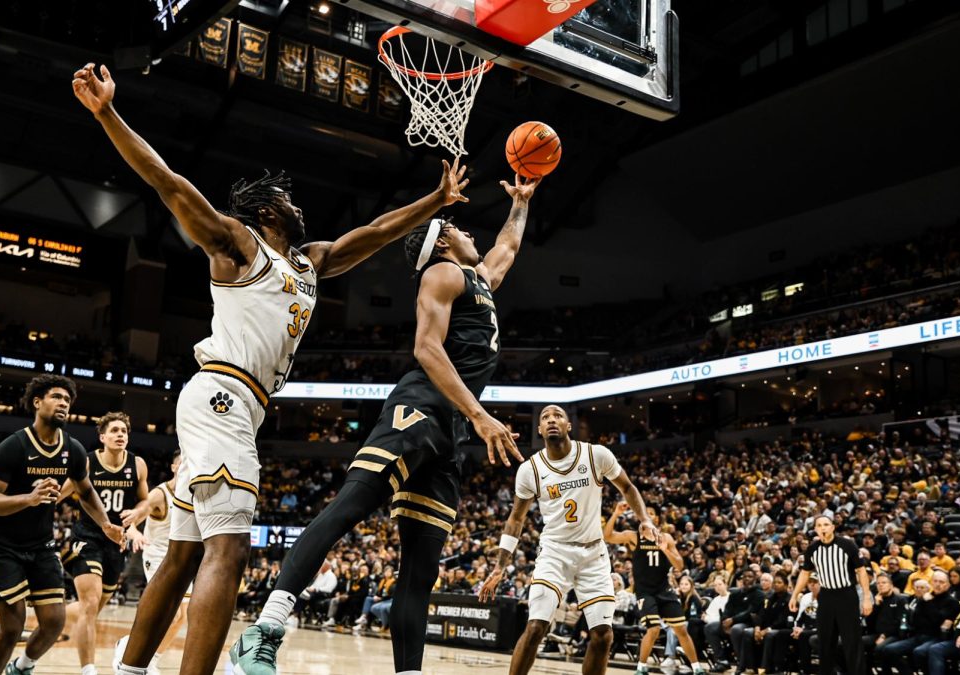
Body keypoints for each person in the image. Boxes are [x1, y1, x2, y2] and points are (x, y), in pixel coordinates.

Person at [73, 63, 475, 675]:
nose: (297, 204)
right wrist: (107, 114)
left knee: (183, 555)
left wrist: (434, 201)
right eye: (285, 198)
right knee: (228, 552)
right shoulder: (239, 244)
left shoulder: (309, 263)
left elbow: (369, 234)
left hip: (235, 404)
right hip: (223, 397)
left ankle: (128, 672)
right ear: (264, 210)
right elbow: (169, 183)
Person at [232, 172, 538, 675]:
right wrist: (480, 415)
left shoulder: (478, 280)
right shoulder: (442, 275)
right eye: (459, 228)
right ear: (442, 240)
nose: (470, 234)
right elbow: (425, 348)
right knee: (352, 506)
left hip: (449, 432)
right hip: (418, 407)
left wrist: (522, 203)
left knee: (420, 569)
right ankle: (266, 628)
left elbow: (506, 246)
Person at [479, 405, 654, 675]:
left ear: (568, 425)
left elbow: (628, 487)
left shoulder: (596, 455)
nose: (551, 420)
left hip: (593, 553)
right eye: (545, 417)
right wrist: (500, 566)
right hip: (555, 552)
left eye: (558, 416)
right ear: (539, 429)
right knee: (537, 626)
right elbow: (515, 519)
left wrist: (644, 519)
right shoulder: (530, 469)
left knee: (603, 635)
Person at [0, 375, 124, 675]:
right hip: (0, 546)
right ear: (37, 402)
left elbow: (86, 492)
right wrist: (28, 499)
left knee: (55, 622)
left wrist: (106, 524)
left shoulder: (74, 449)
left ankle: (21, 667)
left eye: (67, 401)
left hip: (40, 545)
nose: (63, 404)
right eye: (57, 397)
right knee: (13, 626)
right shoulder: (14, 446)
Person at [59, 412, 150, 675]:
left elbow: (145, 501)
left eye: (124, 431)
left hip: (116, 543)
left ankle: (52, 617)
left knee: (94, 608)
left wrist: (136, 517)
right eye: (115, 431)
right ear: (102, 437)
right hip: (87, 536)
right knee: (90, 603)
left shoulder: (138, 465)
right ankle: (89, 670)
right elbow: (64, 492)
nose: (121, 435)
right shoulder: (86, 463)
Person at [602, 503, 703, 675]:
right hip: (645, 591)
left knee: (681, 630)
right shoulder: (633, 537)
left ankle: (697, 668)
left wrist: (666, 550)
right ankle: (641, 667)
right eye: (642, 512)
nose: (645, 515)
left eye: (649, 513)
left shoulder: (666, 538)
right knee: (654, 628)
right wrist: (616, 514)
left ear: (655, 518)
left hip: (664, 589)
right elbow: (608, 536)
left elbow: (679, 564)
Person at [113, 450, 186, 675]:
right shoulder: (159, 494)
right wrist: (134, 532)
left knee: (182, 616)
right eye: (183, 464)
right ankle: (128, 649)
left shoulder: (193, 494)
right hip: (157, 556)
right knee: (169, 612)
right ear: (174, 467)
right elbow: (132, 518)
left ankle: (152, 658)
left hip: (180, 558)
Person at [789, 515, 874, 675]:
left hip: (847, 595)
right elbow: (805, 573)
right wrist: (794, 595)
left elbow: (861, 571)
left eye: (826, 524)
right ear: (815, 529)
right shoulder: (812, 549)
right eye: (819, 525)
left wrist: (867, 597)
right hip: (826, 596)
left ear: (833, 527)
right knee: (825, 643)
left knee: (852, 643)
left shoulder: (847, 545)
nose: (823, 528)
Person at [876, 571, 959, 675]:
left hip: (936, 637)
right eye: (935, 581)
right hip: (918, 635)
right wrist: (925, 603)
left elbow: (937, 621)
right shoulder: (924, 598)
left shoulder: (951, 602)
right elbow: (915, 619)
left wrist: (928, 603)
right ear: (931, 583)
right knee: (889, 650)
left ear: (948, 584)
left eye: (941, 582)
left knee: (919, 652)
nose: (938, 584)